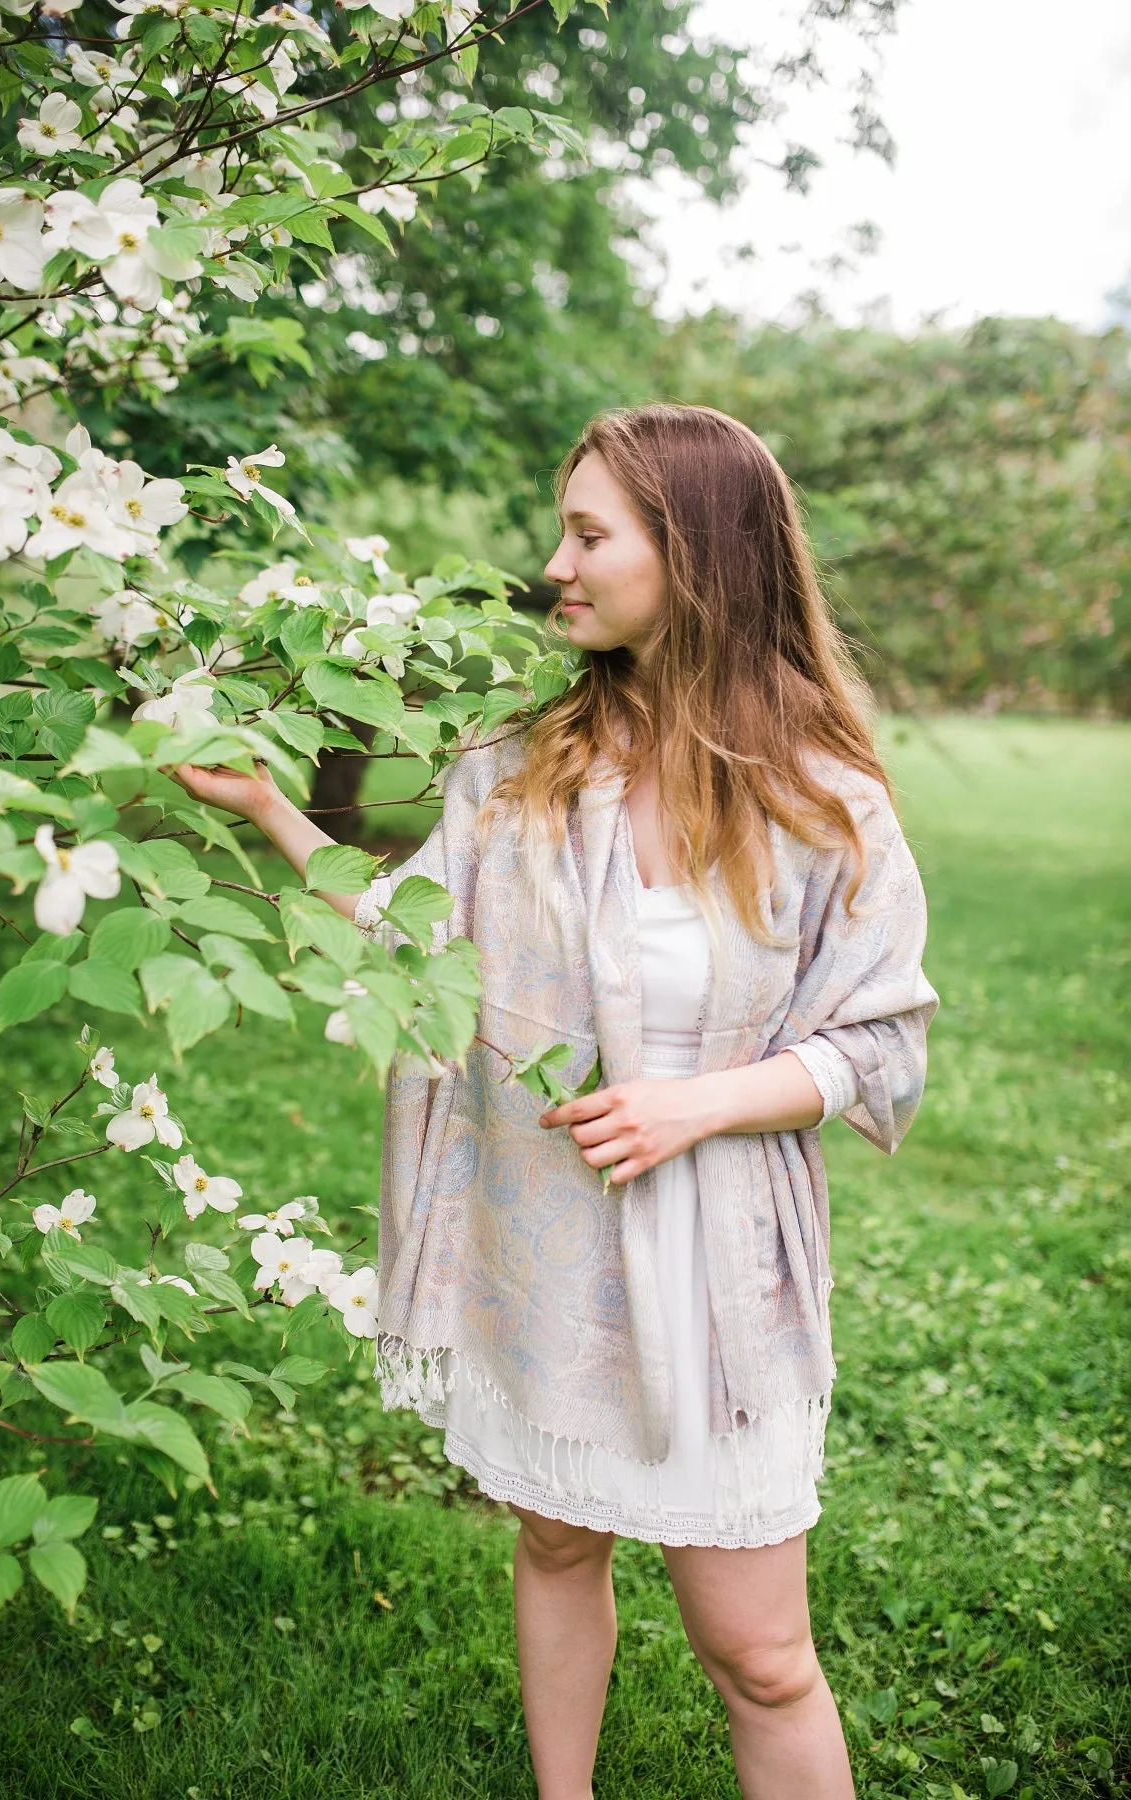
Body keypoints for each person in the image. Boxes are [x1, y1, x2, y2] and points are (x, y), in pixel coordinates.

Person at [172, 403, 939, 1800]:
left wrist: (693, 1107)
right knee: (555, 1543)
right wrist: (277, 815)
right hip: (548, 1252)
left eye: (589, 533)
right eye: (562, 529)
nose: (556, 563)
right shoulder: (522, 772)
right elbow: (417, 938)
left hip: (713, 1269)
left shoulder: (821, 800)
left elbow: (879, 1043)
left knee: (759, 1651)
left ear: (695, 557)